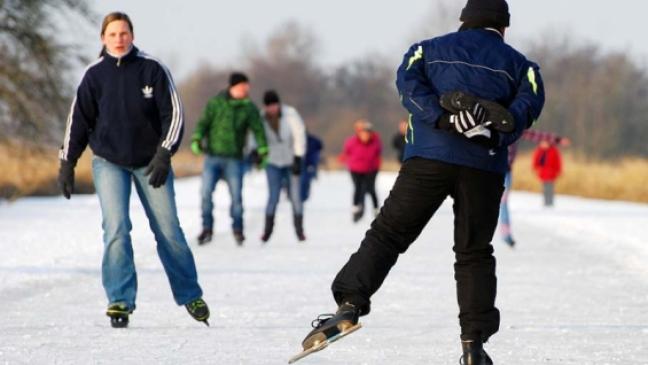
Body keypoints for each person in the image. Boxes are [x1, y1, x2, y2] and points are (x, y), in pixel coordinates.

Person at [297, 1, 545, 364]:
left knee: (388, 234)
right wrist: (498, 127)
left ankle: (349, 305)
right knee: (474, 251)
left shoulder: (425, 50)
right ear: (504, 27)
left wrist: (443, 118)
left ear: (464, 20)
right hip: (483, 166)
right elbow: (529, 104)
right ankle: (473, 346)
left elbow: (407, 85)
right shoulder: (523, 66)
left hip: (429, 158)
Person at [57, 12, 209, 328]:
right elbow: (78, 122)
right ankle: (119, 300)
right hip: (108, 162)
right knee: (116, 229)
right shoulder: (93, 75)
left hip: (151, 161)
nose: (119, 39)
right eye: (112, 34)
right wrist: (67, 162)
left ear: (132, 35)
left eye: (124, 33)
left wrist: (165, 153)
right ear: (103, 39)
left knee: (168, 230)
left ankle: (190, 293)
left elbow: (174, 115)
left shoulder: (152, 69)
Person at [191, 72, 268, 246]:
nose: (245, 90)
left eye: (246, 87)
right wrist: (197, 138)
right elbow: (203, 122)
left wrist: (263, 149)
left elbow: (258, 130)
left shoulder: (249, 107)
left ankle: (238, 230)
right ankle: (207, 228)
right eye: (242, 87)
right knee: (205, 193)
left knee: (236, 196)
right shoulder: (216, 103)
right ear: (233, 87)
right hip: (213, 156)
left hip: (235, 158)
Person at [500, 131, 570, 246]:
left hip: (506, 171)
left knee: (503, 202)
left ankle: (506, 233)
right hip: (489, 169)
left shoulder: (513, 126)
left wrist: (557, 140)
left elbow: (536, 136)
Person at [258, 90, 307, 242]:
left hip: (291, 159)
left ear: (278, 104)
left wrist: (299, 157)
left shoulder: (290, 114)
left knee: (295, 196)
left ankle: (299, 231)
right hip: (272, 161)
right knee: (273, 196)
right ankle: (267, 231)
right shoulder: (261, 117)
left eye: (274, 105)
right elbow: (256, 136)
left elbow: (300, 134)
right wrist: (255, 152)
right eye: (268, 106)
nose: (271, 109)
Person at [341, 119, 382, 222]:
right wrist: (343, 159)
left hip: (371, 169)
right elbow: (346, 152)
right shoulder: (352, 141)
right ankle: (356, 209)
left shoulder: (375, 142)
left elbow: (378, 153)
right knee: (358, 188)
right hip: (356, 169)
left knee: (371, 189)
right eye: (363, 133)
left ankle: (376, 209)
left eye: (367, 133)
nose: (365, 136)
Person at [532, 140, 562, 207]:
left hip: (551, 173)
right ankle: (546, 203)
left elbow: (558, 162)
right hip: (543, 173)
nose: (544, 145)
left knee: (550, 188)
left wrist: (558, 171)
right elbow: (535, 160)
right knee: (545, 188)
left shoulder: (554, 151)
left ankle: (550, 203)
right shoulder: (539, 151)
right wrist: (535, 168)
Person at [300, 132, 324, 202]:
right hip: (308, 163)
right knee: (305, 181)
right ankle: (303, 196)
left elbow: (320, 146)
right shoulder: (313, 140)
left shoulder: (312, 140)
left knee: (305, 180)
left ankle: (303, 196)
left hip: (309, 163)